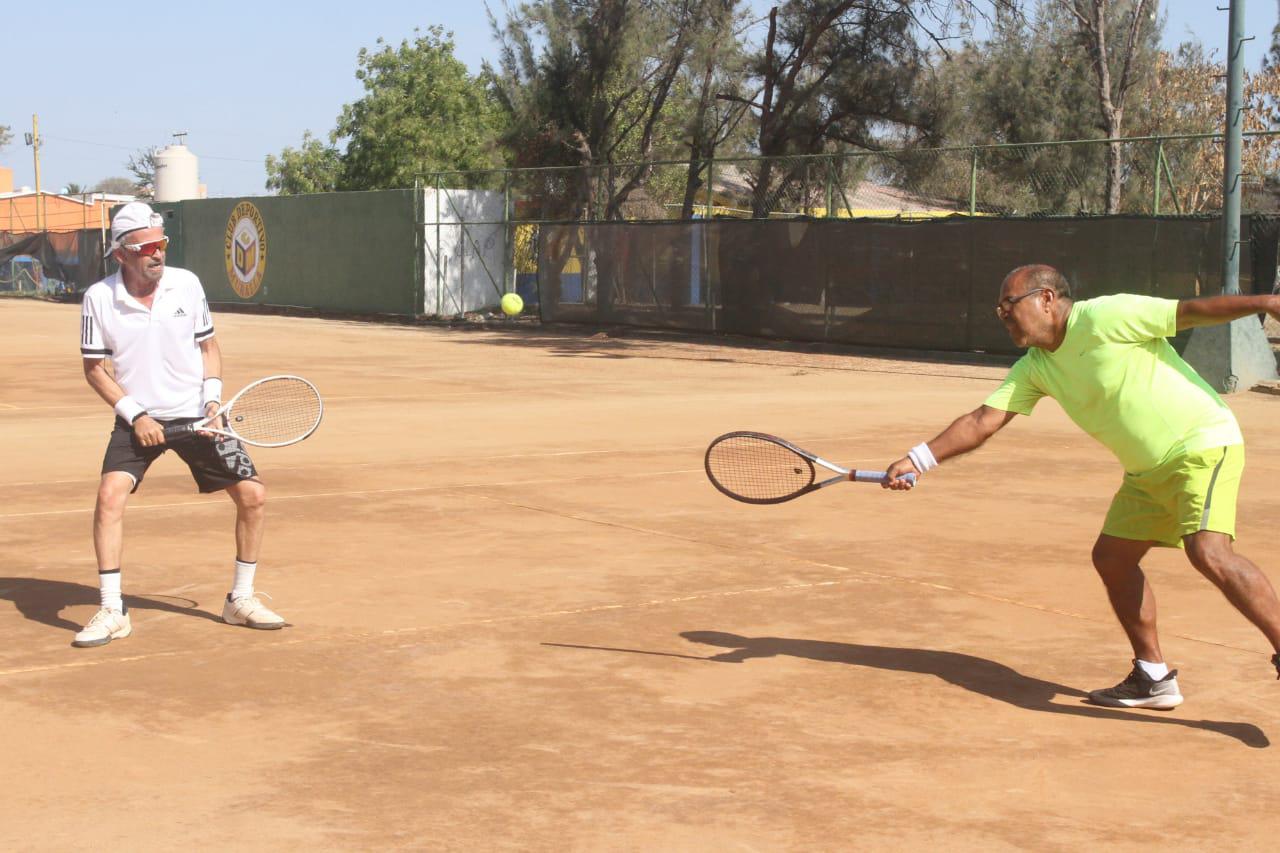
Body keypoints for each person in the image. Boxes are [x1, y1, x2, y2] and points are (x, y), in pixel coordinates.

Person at [882, 264, 1280, 709]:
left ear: (1047, 298)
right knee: (1112, 557)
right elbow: (982, 421)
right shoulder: (1035, 367)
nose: (1004, 317)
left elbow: (1188, 311)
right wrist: (918, 459)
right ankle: (1152, 676)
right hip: (1146, 472)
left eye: (1008, 305)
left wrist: (1266, 303)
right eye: (999, 310)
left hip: (1200, 444)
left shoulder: (1106, 317)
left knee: (1208, 550)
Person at [74, 202, 283, 648]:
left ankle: (239, 600)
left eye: (161, 243)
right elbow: (95, 369)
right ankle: (113, 609)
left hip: (195, 413)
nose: (157, 253)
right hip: (137, 419)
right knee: (109, 497)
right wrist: (137, 416)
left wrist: (212, 402)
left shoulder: (186, 285)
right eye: (147, 246)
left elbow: (209, 348)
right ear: (121, 254)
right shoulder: (98, 298)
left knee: (254, 496)